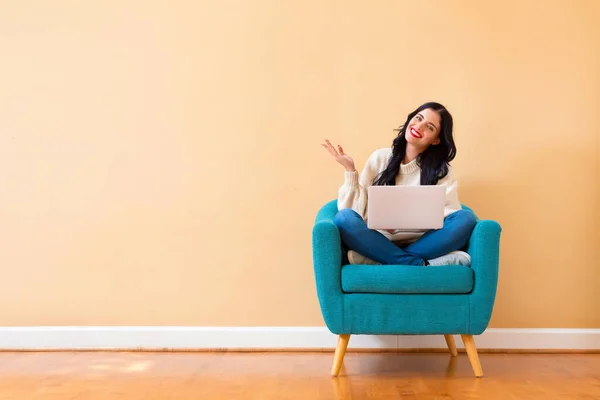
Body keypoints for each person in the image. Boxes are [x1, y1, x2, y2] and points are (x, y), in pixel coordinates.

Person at [321, 102, 477, 266]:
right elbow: (355, 211)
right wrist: (350, 170)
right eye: (418, 118)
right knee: (344, 218)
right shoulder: (380, 158)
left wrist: (408, 223)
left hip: (424, 243)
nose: (419, 126)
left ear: (436, 140)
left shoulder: (440, 171)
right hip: (377, 240)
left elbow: (450, 215)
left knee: (465, 218)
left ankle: (384, 260)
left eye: (430, 127)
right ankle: (419, 264)